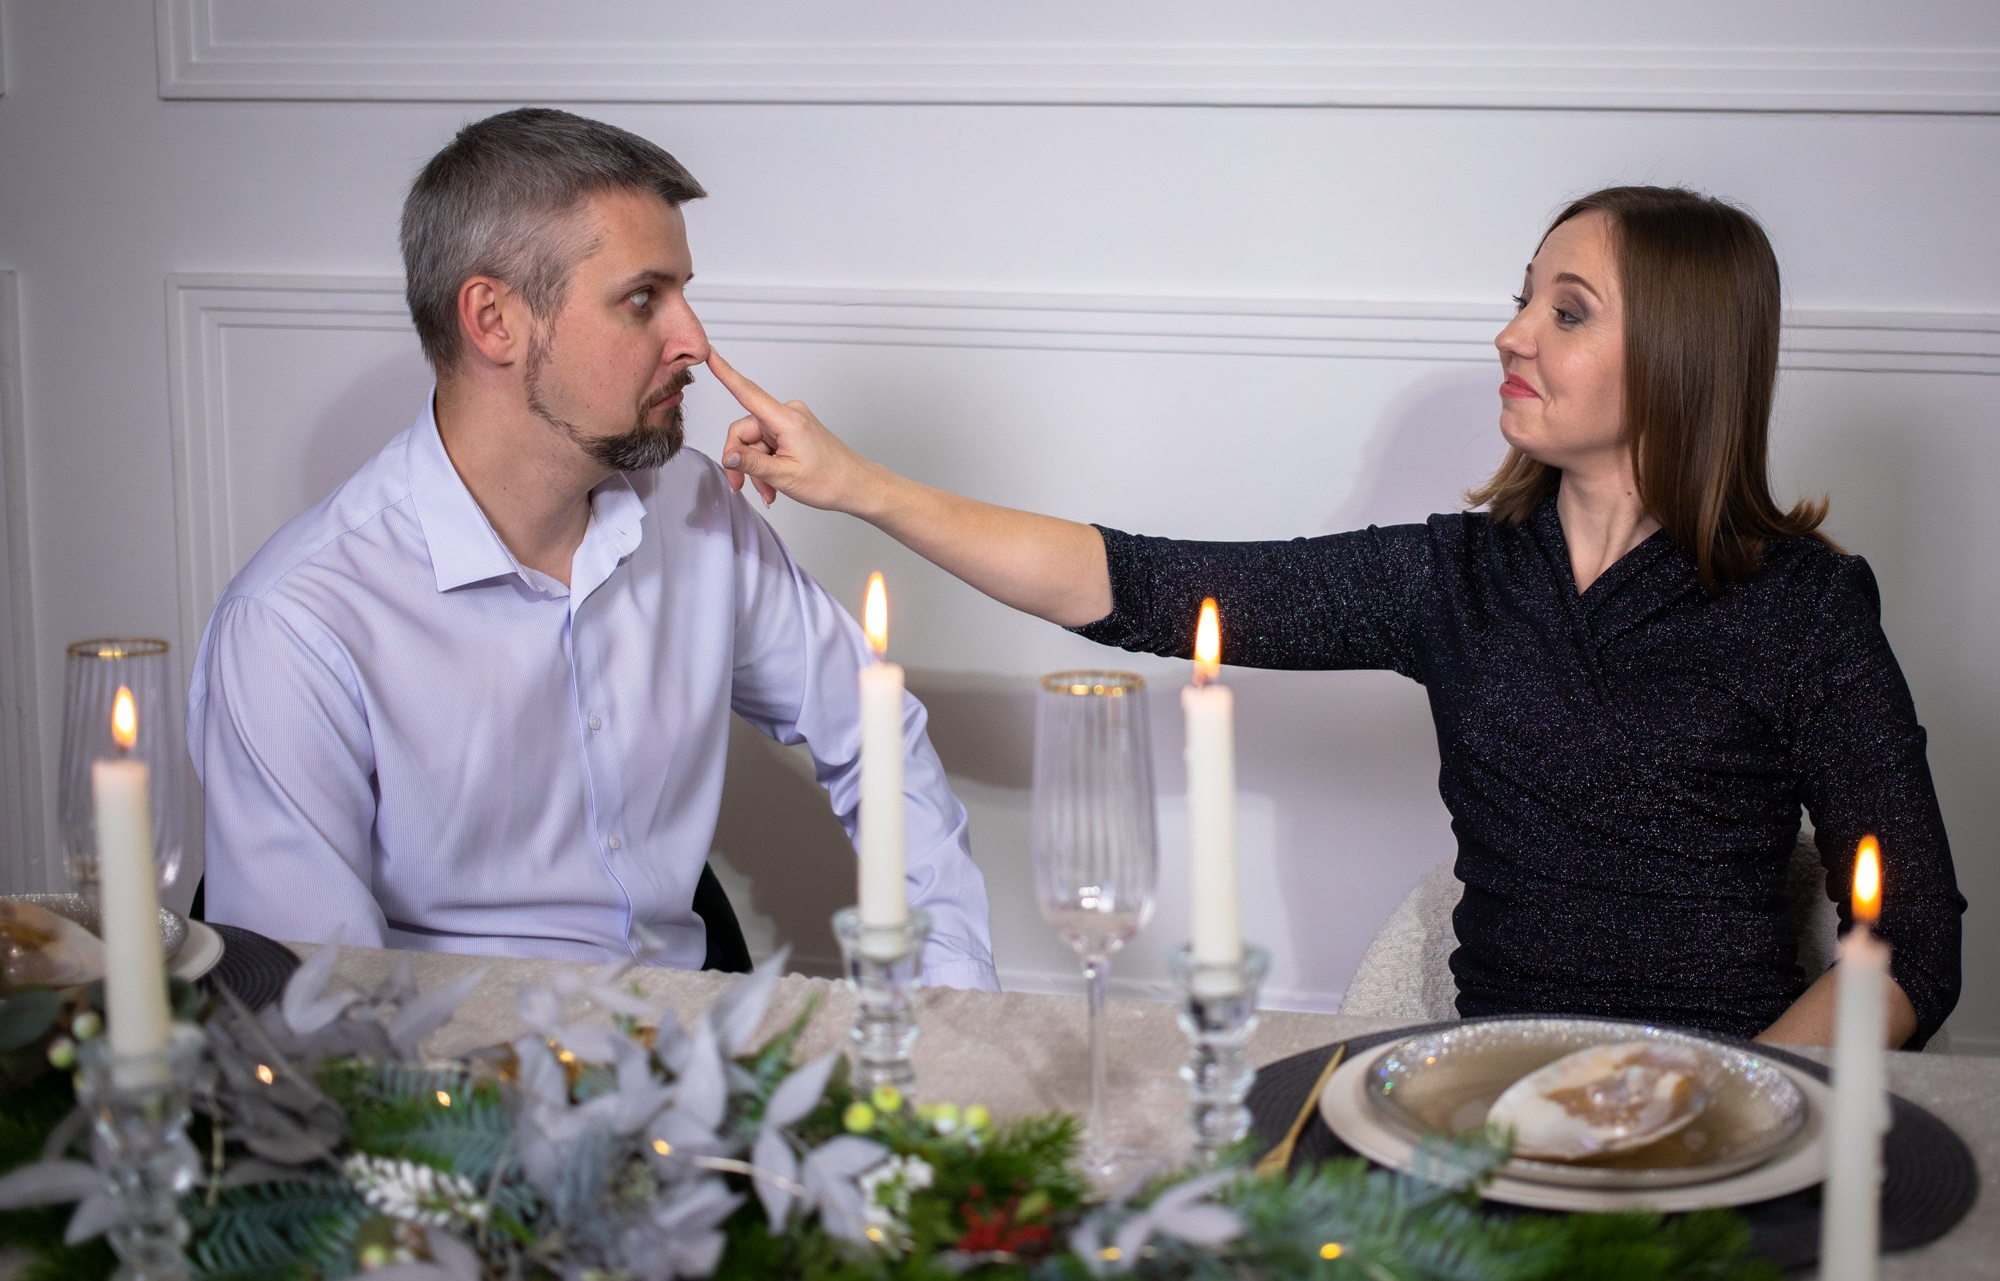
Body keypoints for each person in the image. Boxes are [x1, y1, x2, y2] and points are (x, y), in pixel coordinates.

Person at [707, 185, 1963, 1046]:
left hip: (1721, 1108)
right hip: (1486, 1105)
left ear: (1683, 357)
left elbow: (1910, 943)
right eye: (1522, 295)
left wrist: (1738, 1106)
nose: (1509, 332)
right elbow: (1134, 585)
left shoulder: (1801, 608)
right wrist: (859, 486)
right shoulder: (1455, 578)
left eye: (1564, 311)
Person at [187, 108, 998, 990]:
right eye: (642, 298)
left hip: (696, 1049)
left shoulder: (695, 507)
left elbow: (873, 733)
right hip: (456, 1092)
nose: (692, 340)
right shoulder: (295, 626)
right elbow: (319, 1020)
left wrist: (950, 992)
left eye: (683, 292)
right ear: (493, 320)